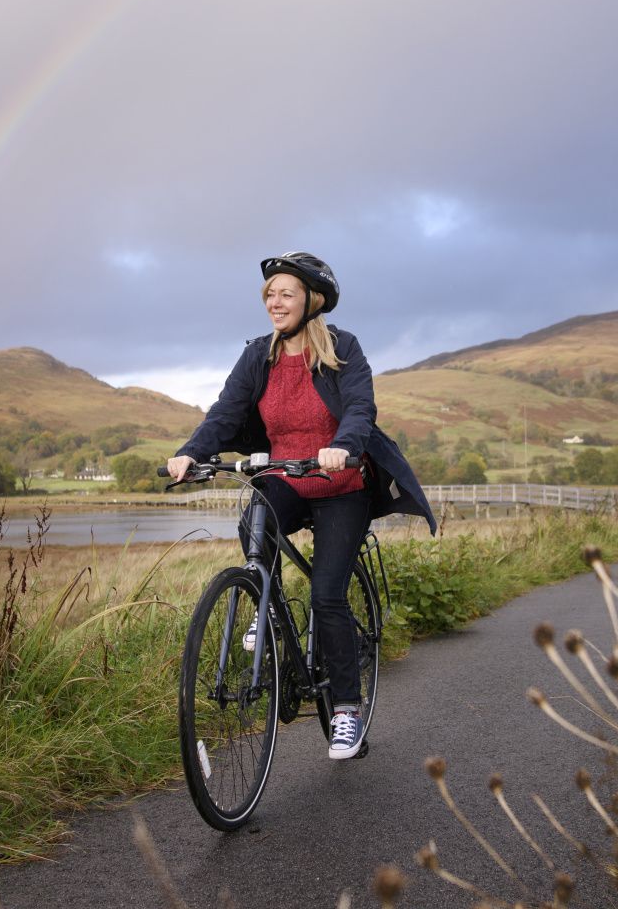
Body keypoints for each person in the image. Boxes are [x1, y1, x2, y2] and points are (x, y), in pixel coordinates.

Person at [166, 251, 436, 760]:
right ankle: (265, 607)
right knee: (255, 517)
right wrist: (191, 452)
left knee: (327, 595)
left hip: (341, 484)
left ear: (313, 300)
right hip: (285, 479)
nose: (275, 302)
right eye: (269, 294)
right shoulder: (258, 356)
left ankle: (346, 712)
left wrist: (345, 446)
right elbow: (225, 411)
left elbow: (360, 407)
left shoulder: (341, 348)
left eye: (285, 293)